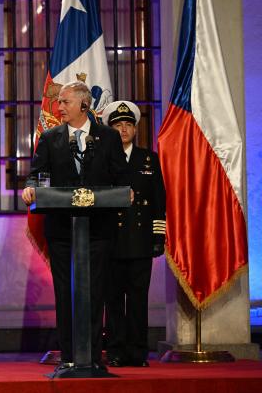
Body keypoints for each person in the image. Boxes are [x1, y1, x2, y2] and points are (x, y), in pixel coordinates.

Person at [22, 81, 129, 370]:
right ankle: (69, 357)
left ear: (84, 104)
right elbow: (37, 174)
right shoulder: (50, 137)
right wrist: (31, 188)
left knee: (95, 293)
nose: (59, 107)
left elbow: (120, 177)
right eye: (58, 102)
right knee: (65, 292)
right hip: (61, 231)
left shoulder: (108, 137)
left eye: (65, 102)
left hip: (98, 230)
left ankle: (93, 357)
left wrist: (126, 190)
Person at [102, 101, 166, 368]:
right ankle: (115, 351)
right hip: (112, 241)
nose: (124, 129)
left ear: (136, 129)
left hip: (140, 241)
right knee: (114, 300)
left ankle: (138, 352)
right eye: (118, 125)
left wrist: (157, 237)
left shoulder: (148, 158)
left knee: (139, 300)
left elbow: (158, 201)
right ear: (111, 129)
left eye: (128, 124)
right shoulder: (103, 159)